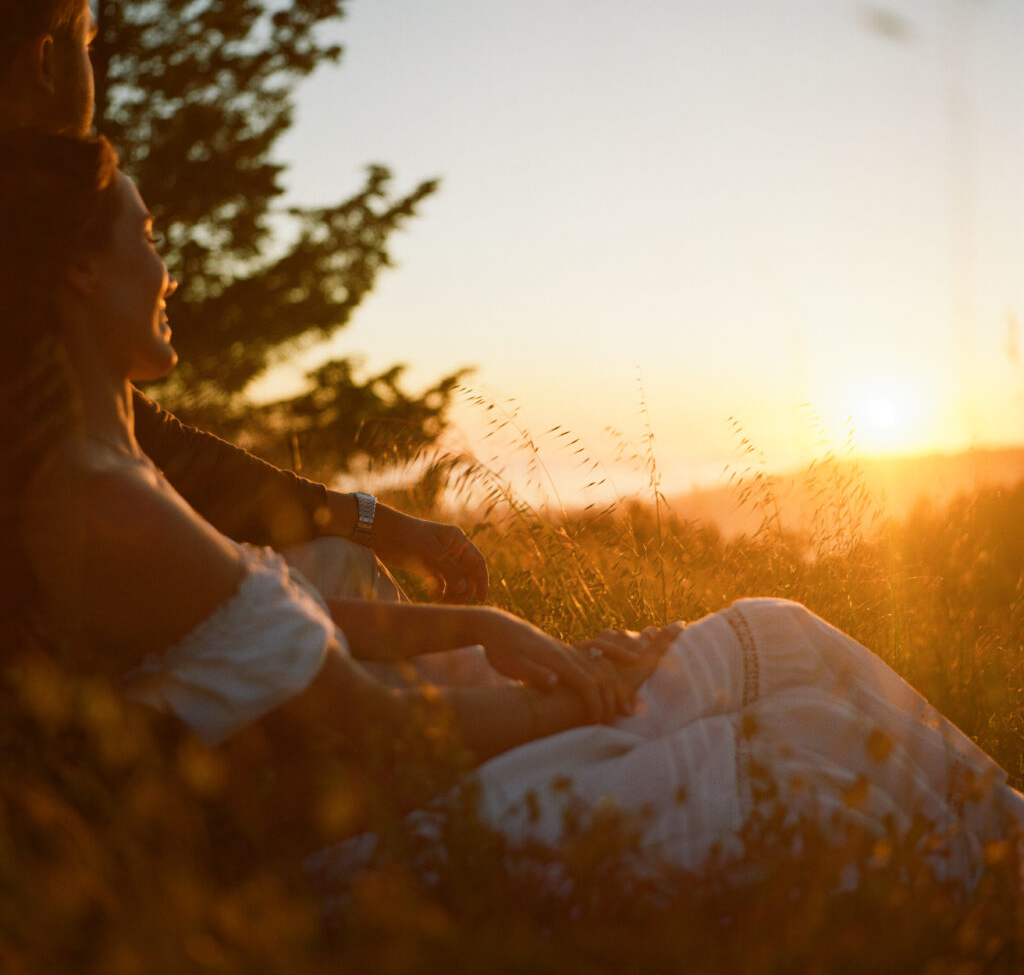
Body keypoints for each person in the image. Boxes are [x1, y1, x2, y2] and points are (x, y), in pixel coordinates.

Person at [4, 129, 1023, 889]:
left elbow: (276, 624)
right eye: (146, 234)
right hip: (358, 855)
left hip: (384, 788)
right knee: (804, 748)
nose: (167, 267)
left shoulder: (115, 466)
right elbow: (382, 733)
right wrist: (580, 696)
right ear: (82, 269)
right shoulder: (101, 501)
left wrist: (490, 624)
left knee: (774, 626)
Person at [0, 0, 489, 623]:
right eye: (88, 45)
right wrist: (478, 630)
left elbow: (163, 449)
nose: (167, 275)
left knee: (335, 565)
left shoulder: (27, 238)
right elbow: (166, 462)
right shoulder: (27, 252)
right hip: (66, 691)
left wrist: (375, 524)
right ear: (46, 62)